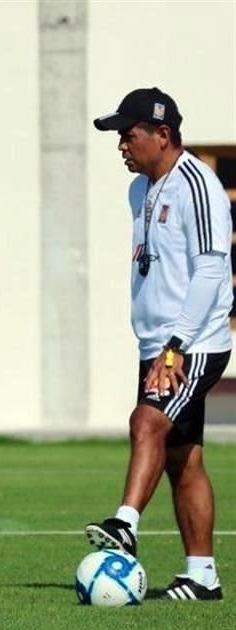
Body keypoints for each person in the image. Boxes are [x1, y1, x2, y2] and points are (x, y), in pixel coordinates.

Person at [87, 88, 232, 601]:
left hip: (192, 343)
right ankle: (202, 576)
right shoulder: (141, 190)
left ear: (163, 134)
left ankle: (125, 523)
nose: (121, 145)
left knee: (145, 420)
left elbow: (213, 268)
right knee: (183, 459)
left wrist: (177, 344)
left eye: (129, 134)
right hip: (158, 344)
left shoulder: (198, 185)